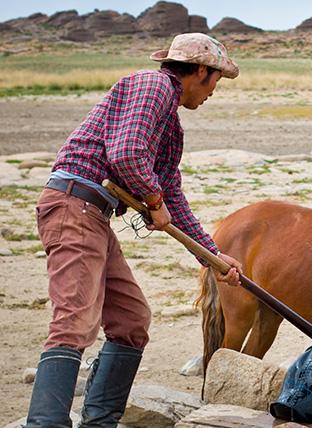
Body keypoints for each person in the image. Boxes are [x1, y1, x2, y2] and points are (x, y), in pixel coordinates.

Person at [24, 33, 243, 428]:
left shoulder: (169, 124)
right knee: (74, 319)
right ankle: (46, 424)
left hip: (95, 213)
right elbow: (125, 154)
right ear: (199, 71)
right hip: (74, 204)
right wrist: (153, 201)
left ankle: (99, 422)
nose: (213, 92)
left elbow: (170, 193)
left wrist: (211, 255)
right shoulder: (154, 85)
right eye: (215, 81)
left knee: (131, 319)